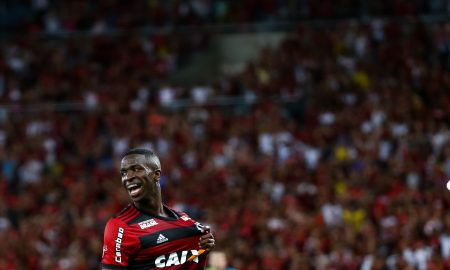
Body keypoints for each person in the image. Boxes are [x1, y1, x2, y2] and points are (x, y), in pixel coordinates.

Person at [101, 148, 215, 269]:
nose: (128, 177)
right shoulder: (120, 227)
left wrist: (203, 249)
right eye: (124, 173)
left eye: (136, 169)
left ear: (156, 174)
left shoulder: (185, 222)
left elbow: (188, 260)